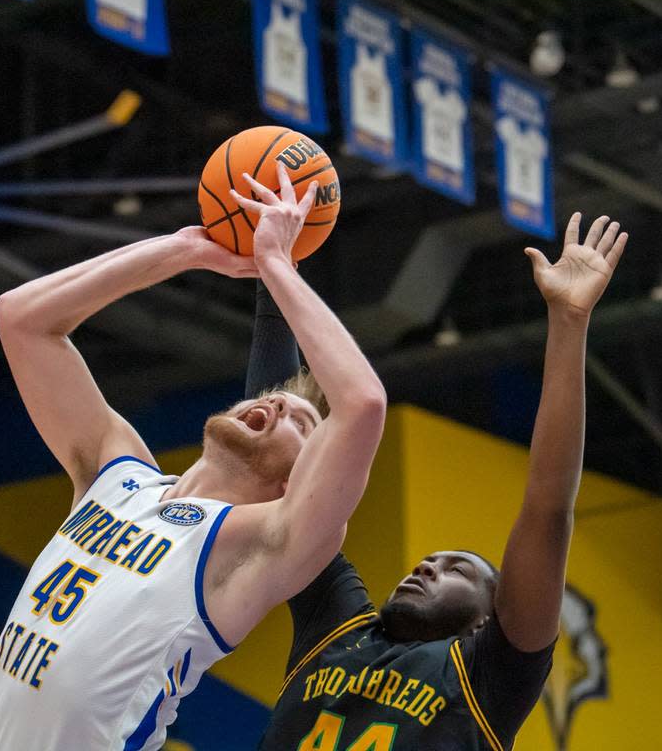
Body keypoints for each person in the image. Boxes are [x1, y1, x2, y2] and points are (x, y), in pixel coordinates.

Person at [0, 165, 387, 751]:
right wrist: (182, 250)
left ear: (299, 483)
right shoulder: (115, 477)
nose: (275, 406)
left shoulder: (261, 541)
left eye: (302, 422)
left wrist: (275, 263)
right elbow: (21, 319)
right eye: (272, 399)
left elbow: (364, 404)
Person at [253, 213, 628, 751]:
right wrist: (275, 273)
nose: (428, 564)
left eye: (457, 570)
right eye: (432, 561)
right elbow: (275, 444)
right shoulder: (336, 631)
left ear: (485, 621)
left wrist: (569, 321)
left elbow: (548, 508)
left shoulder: (488, 674)